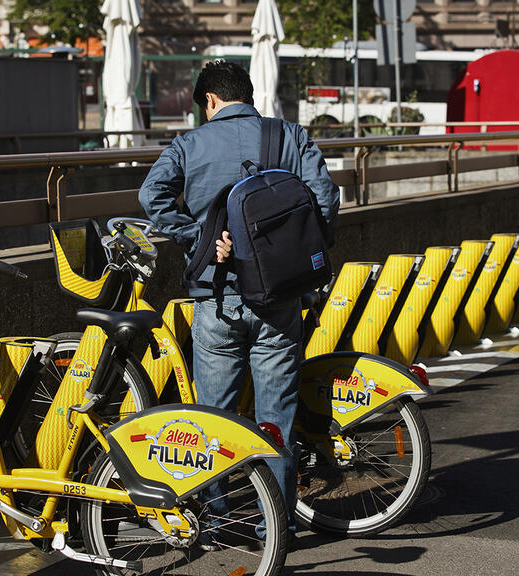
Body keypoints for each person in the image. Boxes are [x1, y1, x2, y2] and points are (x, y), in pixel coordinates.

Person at [138, 60, 340, 539]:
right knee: (276, 417)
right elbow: (325, 201)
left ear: (209, 101)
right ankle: (279, 524)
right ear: (248, 95)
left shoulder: (189, 144)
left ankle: (220, 518)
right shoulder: (289, 135)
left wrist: (200, 239)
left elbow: (152, 196)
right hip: (279, 297)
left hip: (218, 296)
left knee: (214, 417)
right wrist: (300, 258)